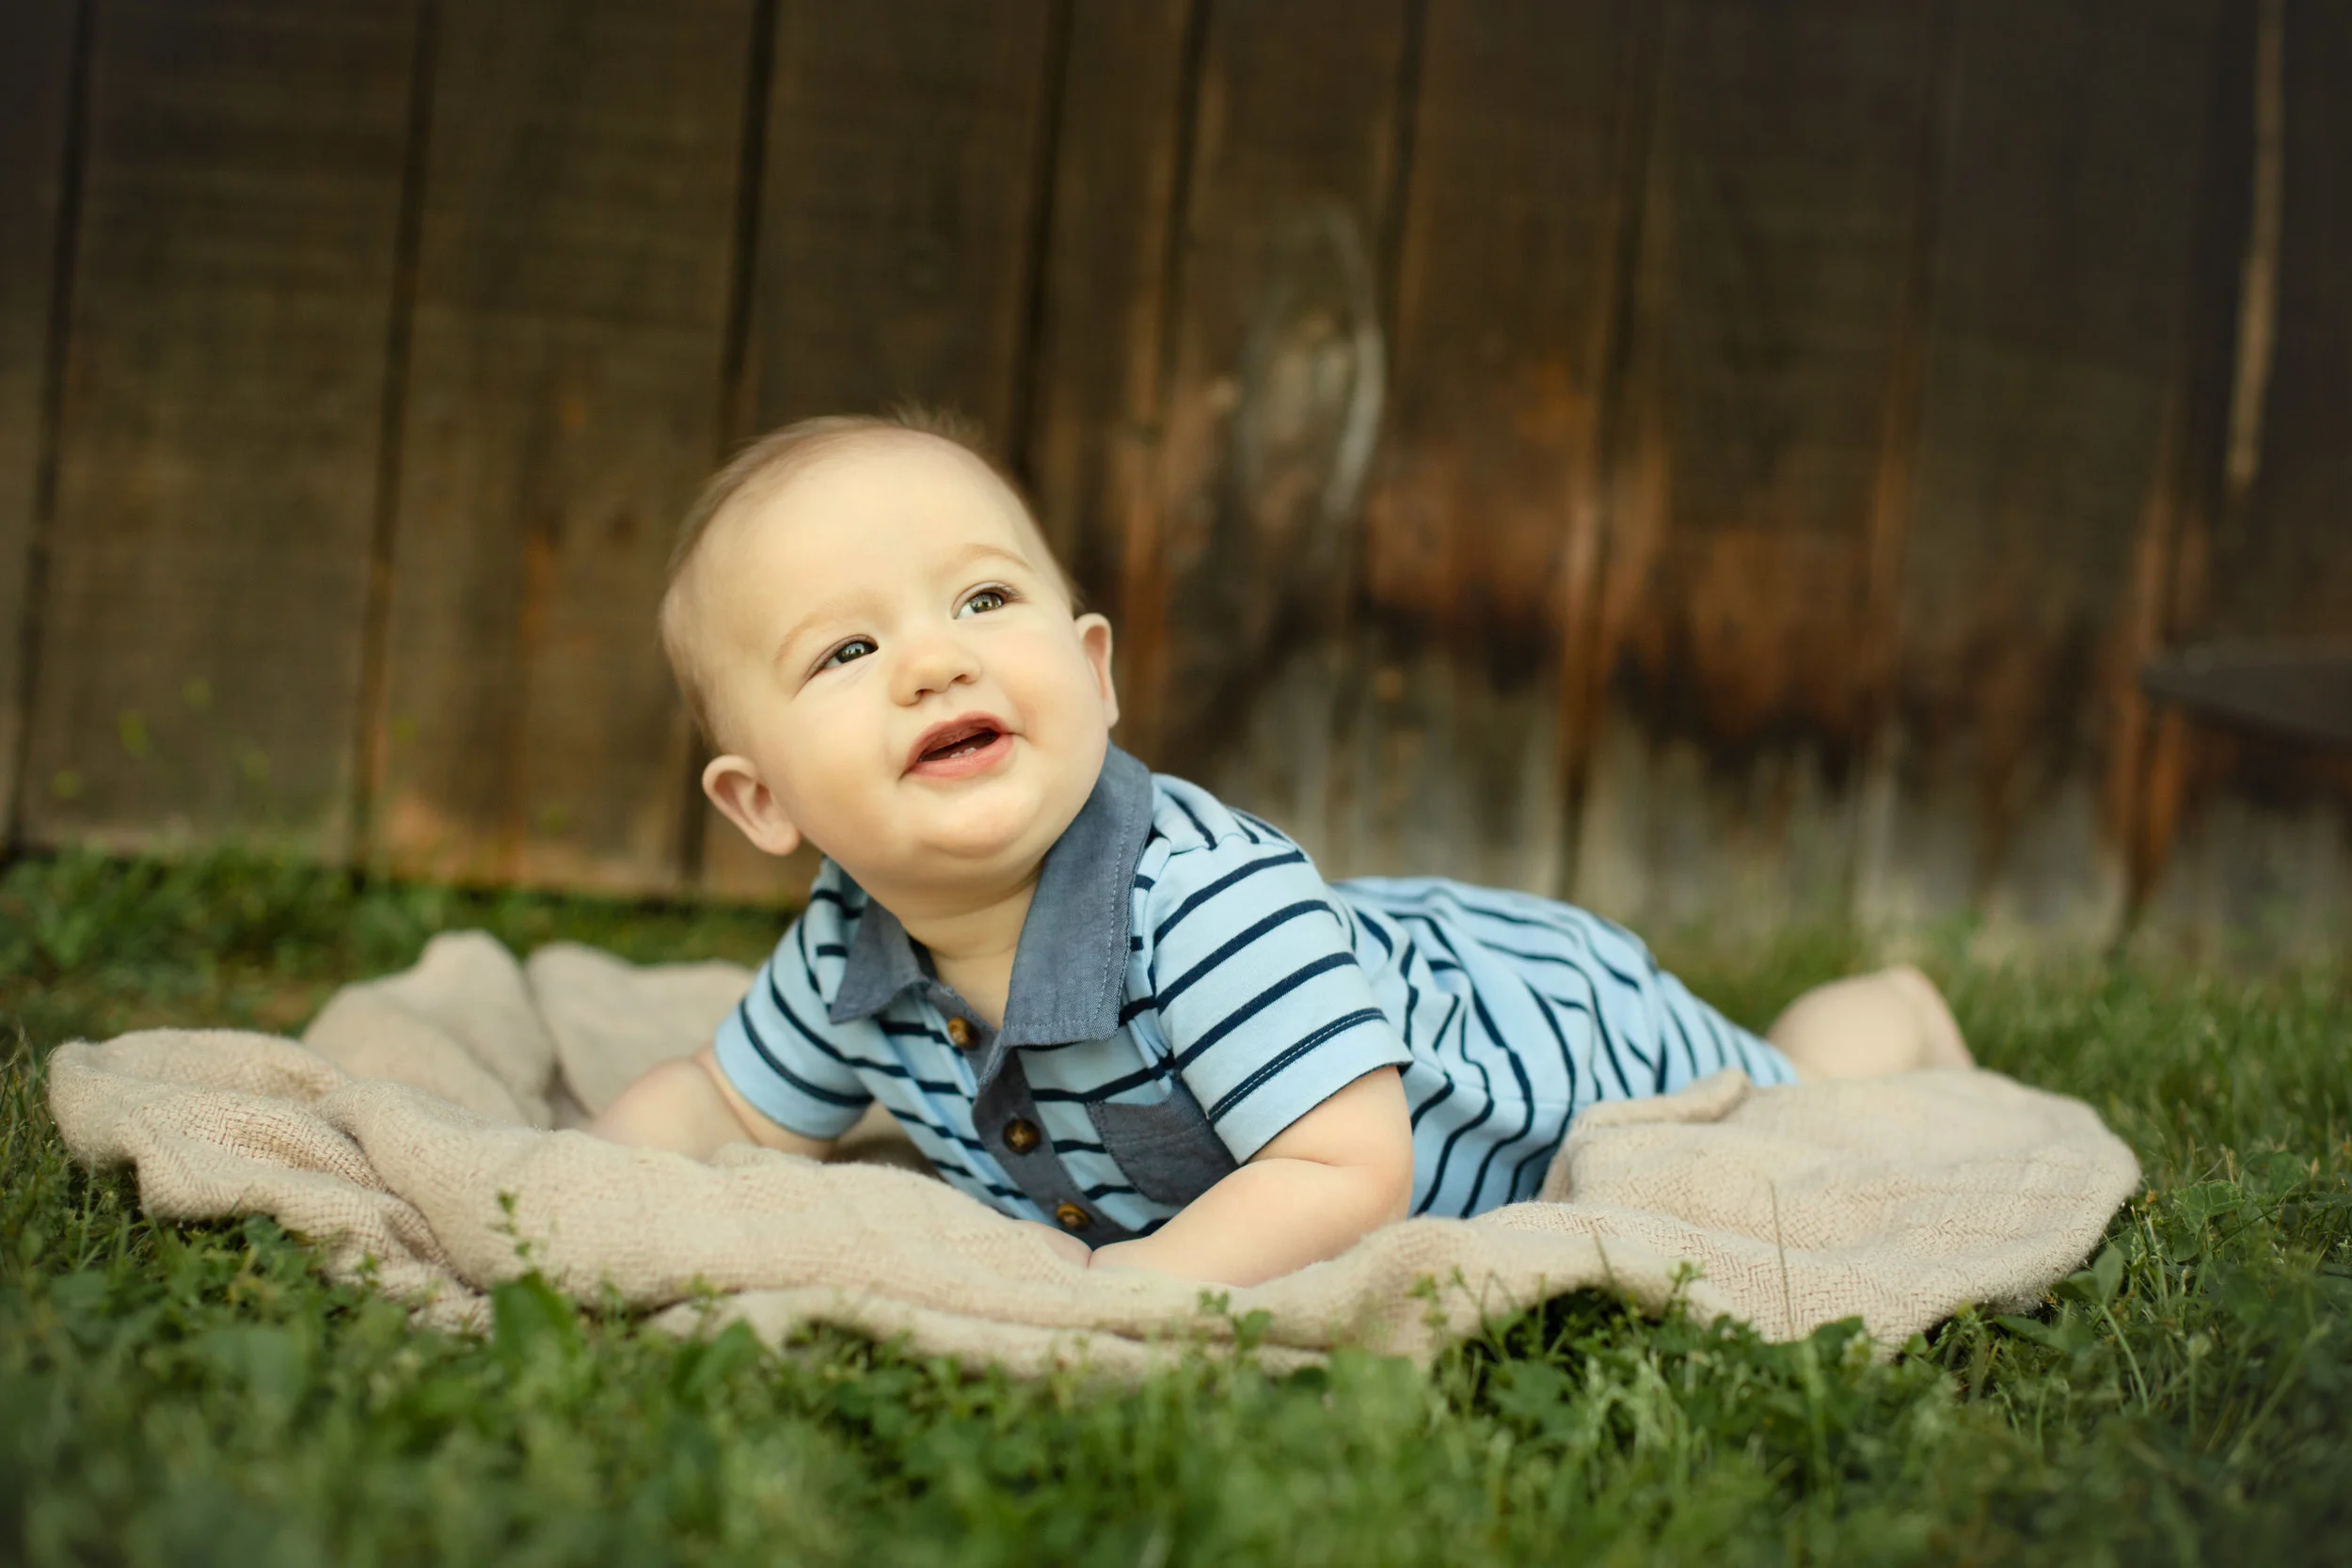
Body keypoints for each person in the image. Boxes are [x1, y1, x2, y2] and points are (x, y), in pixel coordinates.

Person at [588, 412, 1973, 1286]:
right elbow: (723, 1104)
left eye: (984, 596)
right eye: (848, 646)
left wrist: (1129, 1299)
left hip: (1545, 1032)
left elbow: (1341, 1171)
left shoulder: (1198, 903)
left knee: (1790, 1093)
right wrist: (575, 1192)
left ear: (1094, 671)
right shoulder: (848, 943)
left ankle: (1891, 1011)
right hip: (1355, 967)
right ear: (760, 801)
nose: (936, 660)